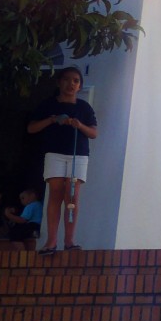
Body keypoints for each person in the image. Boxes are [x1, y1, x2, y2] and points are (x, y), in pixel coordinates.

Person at [27, 67, 98, 255]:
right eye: (67, 79)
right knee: (55, 194)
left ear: (80, 85)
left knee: (72, 197)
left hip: (78, 155)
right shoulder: (48, 104)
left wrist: (79, 124)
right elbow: (32, 128)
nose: (71, 84)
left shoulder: (84, 107)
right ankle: (51, 242)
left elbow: (93, 133)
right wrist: (51, 120)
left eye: (75, 80)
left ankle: (69, 241)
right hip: (54, 154)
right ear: (59, 82)